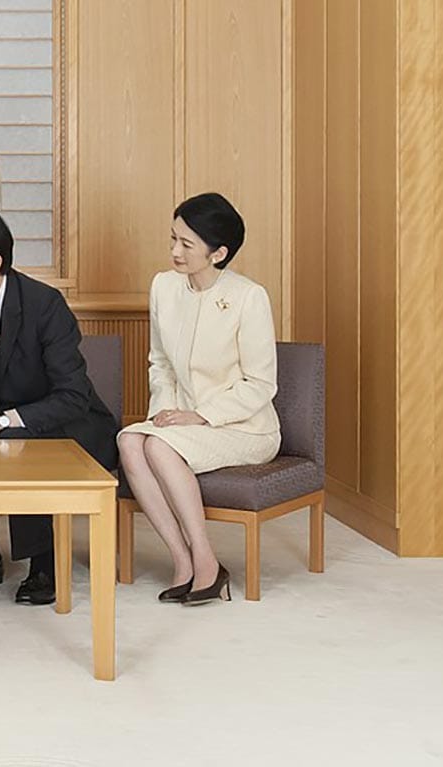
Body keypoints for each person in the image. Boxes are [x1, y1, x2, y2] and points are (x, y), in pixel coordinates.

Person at [0, 208, 118, 606]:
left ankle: (44, 564)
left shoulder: (44, 304)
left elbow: (71, 395)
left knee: (21, 446)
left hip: (69, 422)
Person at [118, 193, 279, 606]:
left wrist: (199, 416)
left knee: (157, 447)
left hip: (244, 427)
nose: (174, 251)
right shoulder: (164, 287)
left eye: (187, 244)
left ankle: (206, 562)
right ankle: (183, 561)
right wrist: (162, 416)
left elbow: (261, 385)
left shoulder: (249, 296)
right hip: (181, 421)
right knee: (130, 441)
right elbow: (161, 364)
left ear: (219, 252)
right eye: (173, 238)